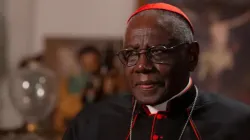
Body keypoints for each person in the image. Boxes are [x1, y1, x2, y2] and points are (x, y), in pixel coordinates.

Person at [63, 3, 250, 140]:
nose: (142, 66)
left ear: (191, 56)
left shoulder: (240, 124)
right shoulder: (90, 123)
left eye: (158, 52)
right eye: (131, 54)